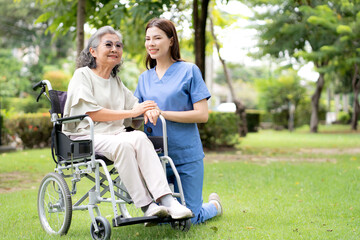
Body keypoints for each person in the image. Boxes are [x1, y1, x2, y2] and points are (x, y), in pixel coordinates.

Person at [62, 26, 193, 223]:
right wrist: (133, 112)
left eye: (118, 45)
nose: (114, 48)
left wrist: (148, 109)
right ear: (93, 51)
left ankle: (167, 201)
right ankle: (147, 206)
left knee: (139, 137)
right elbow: (91, 113)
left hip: (114, 134)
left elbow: (135, 109)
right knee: (123, 144)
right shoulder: (83, 75)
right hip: (86, 135)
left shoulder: (115, 80)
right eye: (108, 44)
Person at [134, 18, 223, 224]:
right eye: (148, 39)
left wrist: (162, 113)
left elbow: (202, 114)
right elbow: (137, 118)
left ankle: (214, 206)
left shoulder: (189, 71)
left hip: (186, 154)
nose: (151, 44)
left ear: (171, 40)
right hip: (155, 158)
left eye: (157, 38)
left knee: (189, 218)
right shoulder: (143, 79)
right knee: (162, 217)